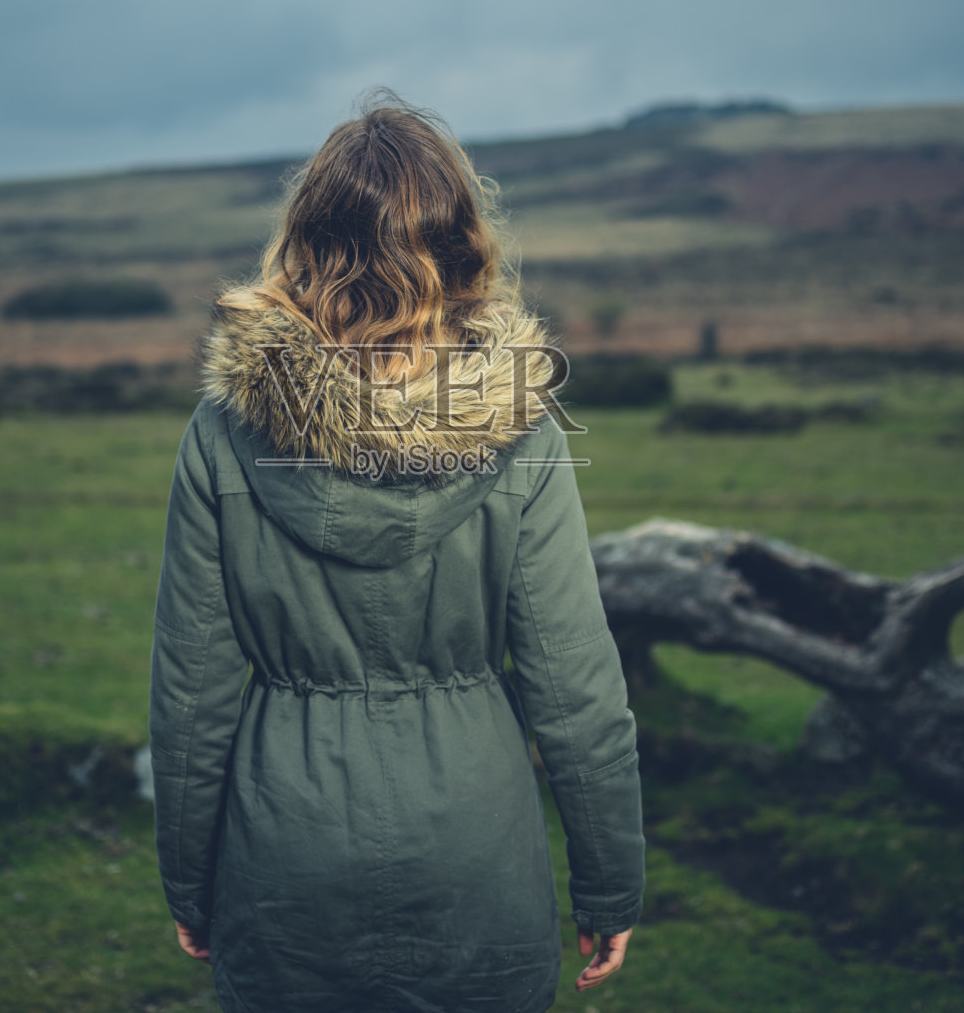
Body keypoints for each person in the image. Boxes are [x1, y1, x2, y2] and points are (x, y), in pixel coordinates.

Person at [148, 91, 645, 1013]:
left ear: (305, 243)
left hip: (283, 851)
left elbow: (192, 695)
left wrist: (189, 882)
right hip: (476, 849)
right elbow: (577, 692)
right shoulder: (525, 436)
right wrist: (611, 884)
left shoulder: (222, 432)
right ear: (462, 246)